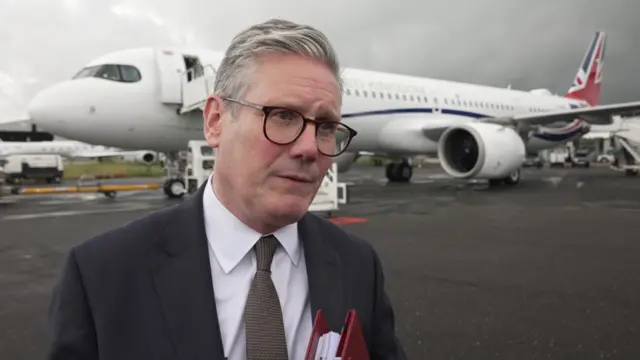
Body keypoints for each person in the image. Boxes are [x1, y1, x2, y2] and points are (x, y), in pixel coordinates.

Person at [46, 18, 407, 360]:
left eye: (326, 126)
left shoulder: (358, 265)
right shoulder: (101, 275)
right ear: (216, 121)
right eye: (282, 116)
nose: (310, 148)